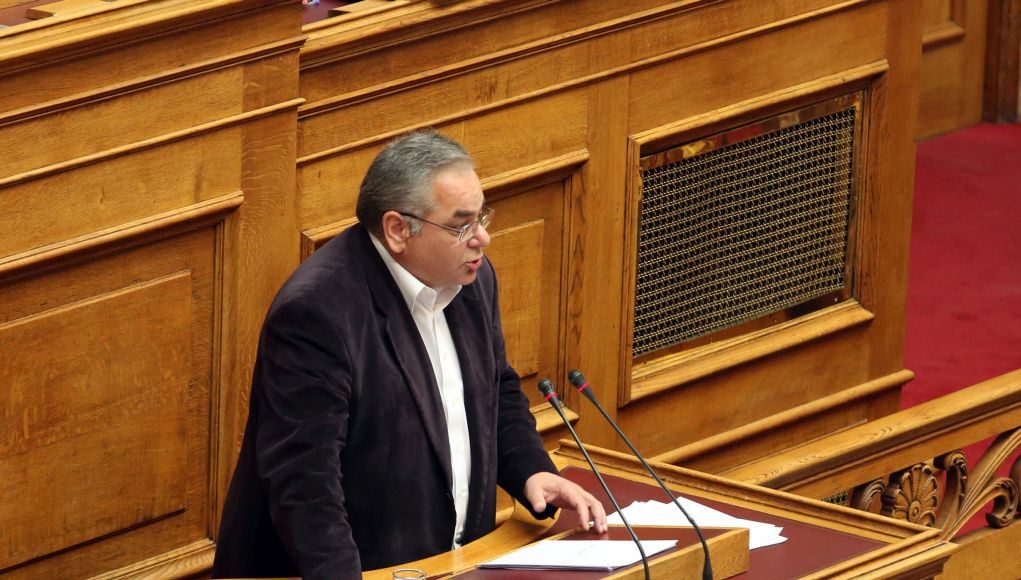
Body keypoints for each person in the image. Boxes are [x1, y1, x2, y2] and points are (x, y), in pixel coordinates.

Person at [212, 130, 607, 580]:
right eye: (461, 225)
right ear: (398, 230)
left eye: (482, 217)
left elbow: (496, 389)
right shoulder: (317, 313)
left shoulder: (471, 279)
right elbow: (305, 485)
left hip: (454, 563)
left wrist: (532, 471)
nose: (482, 238)